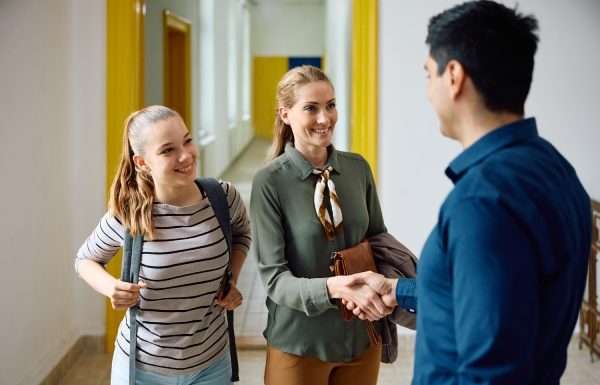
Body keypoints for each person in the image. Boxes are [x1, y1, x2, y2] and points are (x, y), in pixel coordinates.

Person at [347, 1, 592, 384]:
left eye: (429, 74)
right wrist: (398, 291)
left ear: (455, 76)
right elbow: (499, 305)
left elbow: (492, 371)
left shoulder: (483, 202)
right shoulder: (556, 170)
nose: (427, 91)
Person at [74, 105, 251, 385]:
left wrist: (231, 279)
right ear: (142, 162)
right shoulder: (130, 213)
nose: (185, 155)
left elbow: (242, 234)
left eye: (188, 140)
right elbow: (85, 260)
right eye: (168, 150)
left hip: (212, 363)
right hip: (143, 369)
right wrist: (111, 288)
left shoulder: (222, 197)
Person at [250, 65, 394, 385]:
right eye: (311, 108)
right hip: (300, 344)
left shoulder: (357, 169)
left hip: (360, 338)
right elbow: (275, 280)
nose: (324, 118)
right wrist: (335, 287)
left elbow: (378, 241)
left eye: (330, 105)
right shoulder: (269, 183)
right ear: (285, 114)